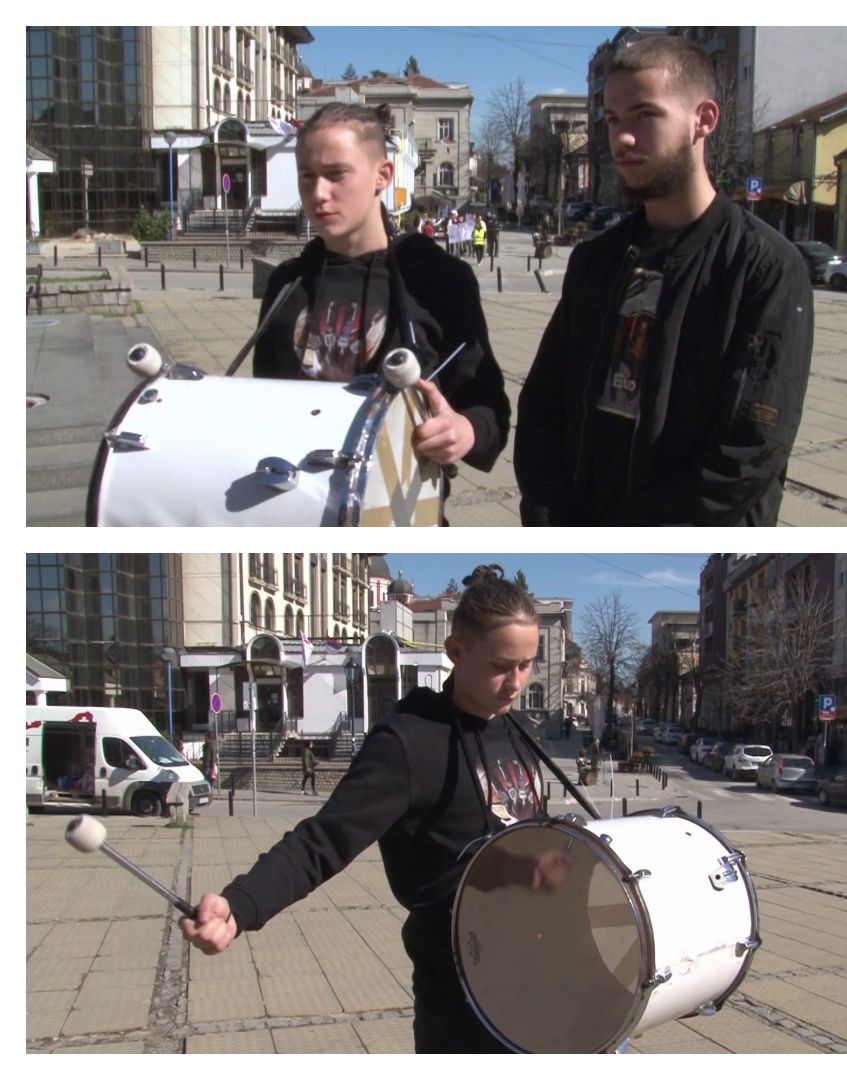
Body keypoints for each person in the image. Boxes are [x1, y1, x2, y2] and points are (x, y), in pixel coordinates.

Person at [179, 566, 552, 1052]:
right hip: (462, 998)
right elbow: (322, 840)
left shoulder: (519, 730)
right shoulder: (408, 744)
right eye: (503, 665)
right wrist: (241, 905)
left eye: (527, 665)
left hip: (538, 975)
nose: (515, 682)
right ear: (456, 652)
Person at [515, 36, 813, 526]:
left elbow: (751, 448)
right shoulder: (597, 260)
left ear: (704, 119)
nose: (622, 139)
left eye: (644, 115)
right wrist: (549, 514)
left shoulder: (764, 267)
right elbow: (542, 403)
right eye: (612, 119)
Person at [254, 103, 510, 487]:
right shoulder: (287, 283)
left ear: (382, 174)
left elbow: (489, 409)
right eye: (306, 176)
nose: (318, 193)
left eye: (336, 174)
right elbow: (263, 403)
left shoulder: (438, 280)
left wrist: (464, 431)